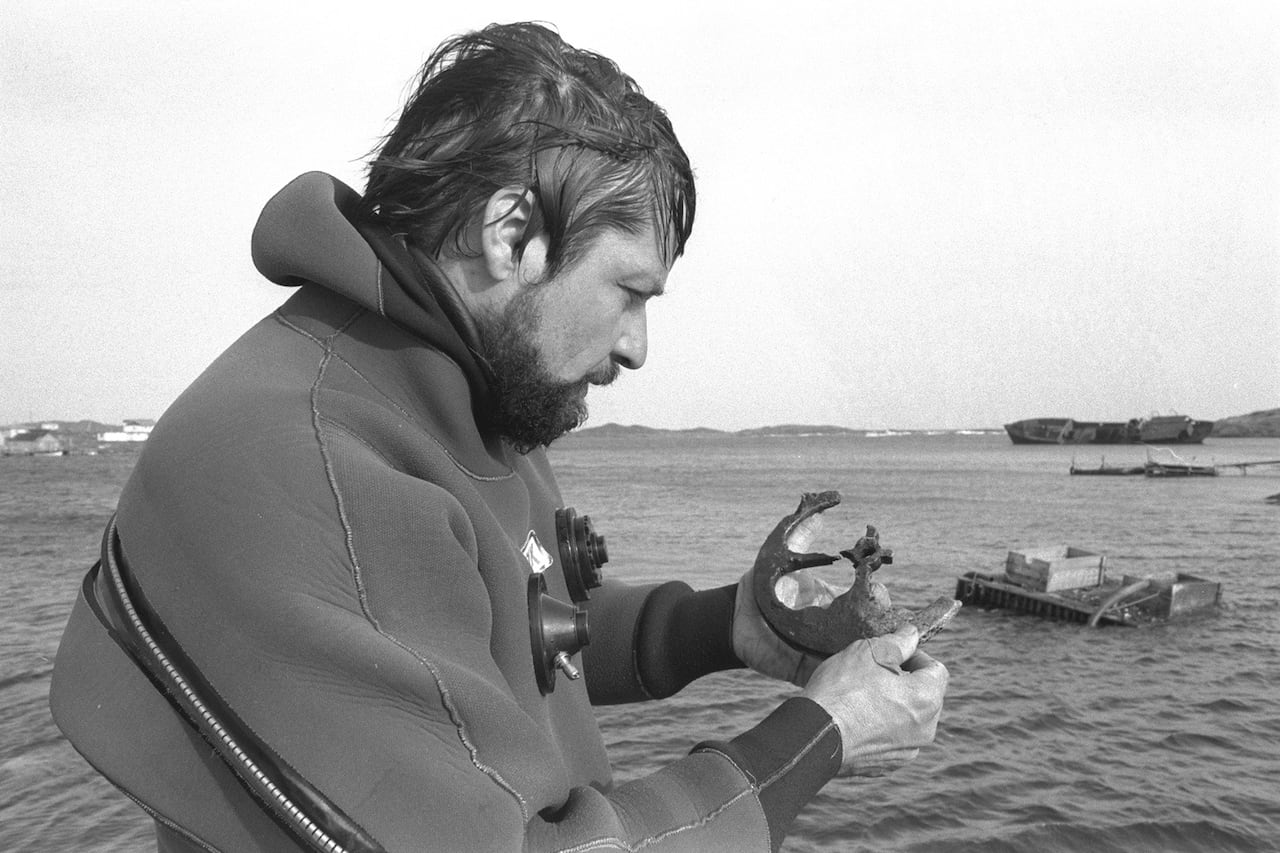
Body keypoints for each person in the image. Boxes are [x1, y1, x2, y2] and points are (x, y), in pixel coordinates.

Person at [50, 22, 949, 853]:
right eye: (629, 291)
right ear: (512, 233)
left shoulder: (460, 404)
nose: (637, 346)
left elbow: (508, 645)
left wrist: (725, 625)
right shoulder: (303, 459)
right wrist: (820, 735)